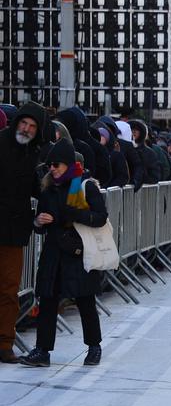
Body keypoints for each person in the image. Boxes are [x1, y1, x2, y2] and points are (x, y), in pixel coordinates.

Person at [18, 138, 107, 368]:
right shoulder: (48, 189)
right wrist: (39, 221)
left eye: (56, 164)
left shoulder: (85, 186)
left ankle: (94, 346)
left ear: (68, 164)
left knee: (85, 300)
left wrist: (73, 214)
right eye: (50, 165)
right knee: (47, 301)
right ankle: (42, 350)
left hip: (78, 251)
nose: (52, 169)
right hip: (54, 252)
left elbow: (100, 217)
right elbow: (41, 221)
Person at [0, 101, 46, 364]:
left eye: (32, 126)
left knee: (8, 290)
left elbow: (36, 188)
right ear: (16, 121)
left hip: (13, 233)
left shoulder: (33, 153)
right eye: (24, 123)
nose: (26, 129)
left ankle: (5, 342)